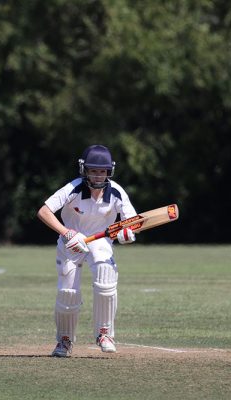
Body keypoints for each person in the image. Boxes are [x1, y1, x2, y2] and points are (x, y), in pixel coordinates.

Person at [37, 144, 138, 357]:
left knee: (105, 274)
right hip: (71, 242)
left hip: (100, 241)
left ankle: (105, 334)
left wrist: (127, 234)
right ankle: (64, 340)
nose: (98, 176)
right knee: (68, 292)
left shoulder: (117, 192)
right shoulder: (73, 188)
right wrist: (67, 233)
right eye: (93, 171)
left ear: (109, 171)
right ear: (84, 170)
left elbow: (132, 222)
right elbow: (44, 212)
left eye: (102, 171)